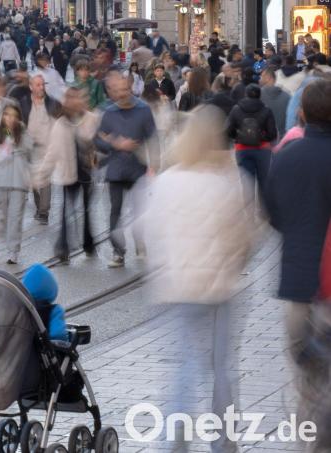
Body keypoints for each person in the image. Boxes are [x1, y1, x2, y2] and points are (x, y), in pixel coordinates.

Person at [143, 104, 253, 453]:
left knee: (185, 367)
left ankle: (174, 443)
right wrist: (232, 264)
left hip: (177, 288)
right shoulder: (229, 182)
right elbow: (246, 237)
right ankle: (224, 443)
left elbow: (148, 231)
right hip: (218, 289)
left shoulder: (166, 182)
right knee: (221, 369)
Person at [266, 79, 331, 440]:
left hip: (299, 287)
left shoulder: (286, 157)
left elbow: (275, 216)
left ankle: (313, 443)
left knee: (307, 377)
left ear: (302, 114)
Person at [95, 72, 158, 268]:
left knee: (139, 210)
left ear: (130, 89)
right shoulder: (109, 112)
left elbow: (153, 139)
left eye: (125, 89)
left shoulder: (143, 110)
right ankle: (118, 252)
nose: (122, 94)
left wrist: (155, 165)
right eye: (118, 90)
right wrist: (115, 143)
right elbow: (98, 141)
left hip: (137, 168)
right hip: (115, 169)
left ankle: (140, 242)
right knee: (115, 211)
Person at [36, 86, 100, 263]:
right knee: (66, 212)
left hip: (87, 172)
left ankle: (88, 243)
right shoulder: (60, 123)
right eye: (70, 98)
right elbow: (52, 152)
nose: (74, 101)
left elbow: (99, 142)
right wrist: (41, 176)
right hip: (68, 173)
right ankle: (63, 248)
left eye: (78, 98)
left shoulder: (91, 119)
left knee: (87, 211)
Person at [0, 104, 33, 264]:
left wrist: (18, 137)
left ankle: (13, 251)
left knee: (15, 218)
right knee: (3, 219)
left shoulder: (23, 133)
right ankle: (9, 243)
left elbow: (32, 153)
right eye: (7, 115)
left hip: (19, 183)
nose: (10, 119)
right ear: (2, 116)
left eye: (14, 116)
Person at [224, 84, 277, 203]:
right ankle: (264, 215)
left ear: (245, 95)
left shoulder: (236, 109)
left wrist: (239, 137)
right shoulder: (266, 110)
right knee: (264, 183)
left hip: (242, 149)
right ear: (259, 95)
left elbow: (228, 130)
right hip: (263, 150)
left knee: (247, 184)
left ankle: (249, 217)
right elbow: (272, 134)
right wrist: (260, 137)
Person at [19, 74, 61, 225]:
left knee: (45, 180)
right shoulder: (23, 103)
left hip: (48, 148)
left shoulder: (53, 103)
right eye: (38, 85)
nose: (41, 87)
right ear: (31, 86)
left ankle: (44, 212)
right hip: (30, 148)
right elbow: (11, 126)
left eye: (42, 84)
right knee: (35, 181)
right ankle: (39, 209)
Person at [259, 66, 291, 139]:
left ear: (268, 78)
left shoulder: (258, 96)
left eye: (261, 77)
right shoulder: (287, 96)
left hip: (265, 139)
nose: (260, 79)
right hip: (283, 138)